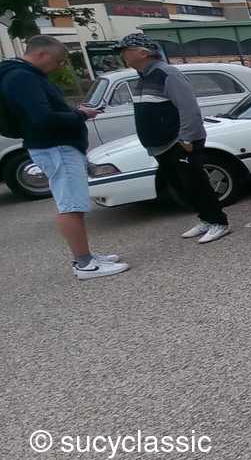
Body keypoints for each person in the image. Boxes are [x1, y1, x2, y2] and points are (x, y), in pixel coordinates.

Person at [0, 36, 129, 280]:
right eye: (58, 60)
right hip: (56, 147)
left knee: (72, 203)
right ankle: (85, 264)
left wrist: (74, 112)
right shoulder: (23, 78)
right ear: (42, 54)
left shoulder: (20, 75)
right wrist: (80, 115)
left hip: (53, 146)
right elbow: (43, 118)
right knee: (71, 206)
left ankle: (86, 256)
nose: (59, 66)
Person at [113, 33, 231, 243]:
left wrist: (186, 139)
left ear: (143, 53)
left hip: (178, 141)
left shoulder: (167, 74)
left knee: (195, 183)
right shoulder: (144, 77)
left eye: (126, 51)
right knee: (180, 186)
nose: (123, 55)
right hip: (161, 145)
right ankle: (205, 218)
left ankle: (218, 222)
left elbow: (188, 108)